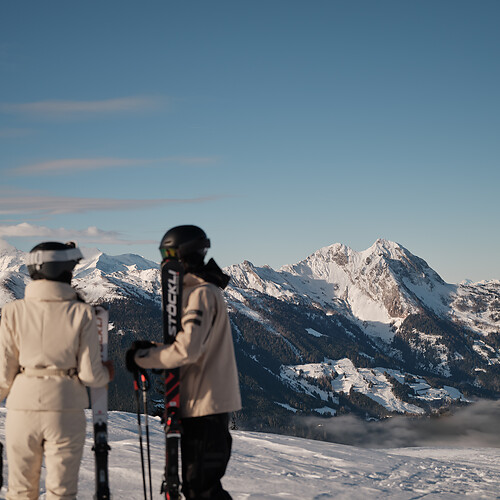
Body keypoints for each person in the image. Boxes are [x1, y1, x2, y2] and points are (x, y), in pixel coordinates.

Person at [126, 225, 241, 500]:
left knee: (201, 489)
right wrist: (154, 351)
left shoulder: (201, 294)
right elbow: (192, 346)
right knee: (197, 488)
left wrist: (144, 358)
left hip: (206, 408)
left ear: (183, 254)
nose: (163, 261)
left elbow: (187, 350)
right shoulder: (199, 291)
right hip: (201, 405)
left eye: (167, 254)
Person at [0, 241, 114, 500]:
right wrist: (107, 372)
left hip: (21, 409)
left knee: (20, 491)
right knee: (61, 492)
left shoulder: (13, 311)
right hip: (65, 408)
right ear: (63, 271)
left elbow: (3, 376)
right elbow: (90, 375)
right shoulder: (81, 312)